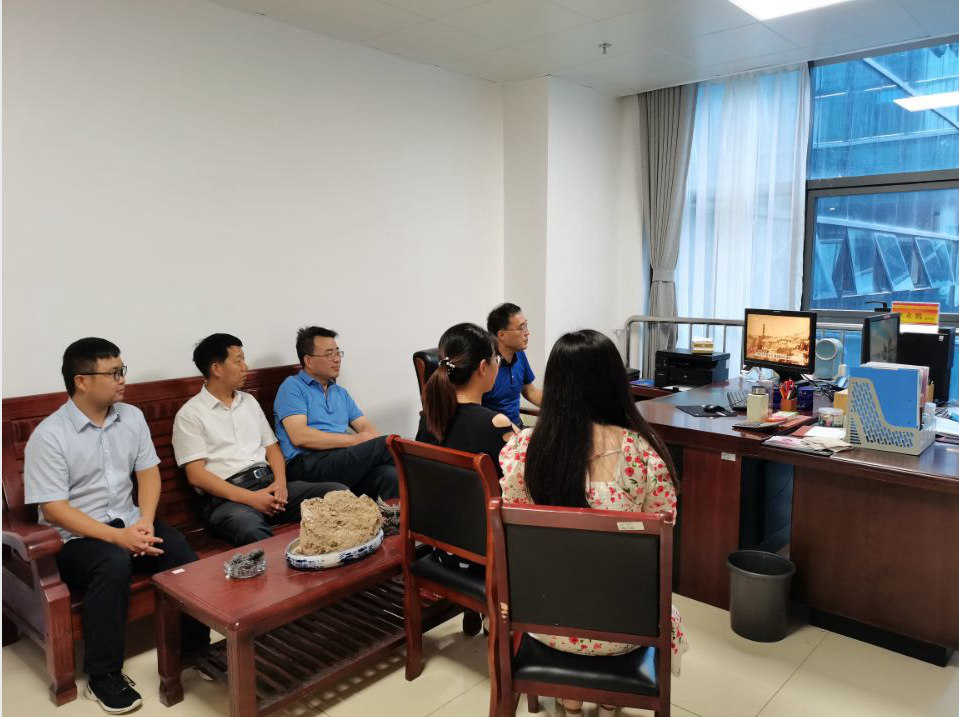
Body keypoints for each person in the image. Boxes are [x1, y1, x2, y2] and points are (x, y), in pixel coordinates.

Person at [499, 329, 688, 716]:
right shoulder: (642, 454)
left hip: (544, 622)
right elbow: (662, 537)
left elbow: (516, 532)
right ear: (614, 383)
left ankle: (569, 696)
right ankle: (609, 694)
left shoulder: (524, 450)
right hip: (624, 631)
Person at [23, 338, 210, 714]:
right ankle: (102, 675)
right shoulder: (50, 435)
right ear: (81, 381)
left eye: (122, 370)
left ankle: (194, 648)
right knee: (112, 562)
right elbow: (55, 509)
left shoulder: (132, 417)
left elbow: (148, 473)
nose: (123, 379)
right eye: (113, 373)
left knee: (177, 549)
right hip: (75, 539)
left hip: (130, 522)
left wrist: (145, 521)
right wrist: (118, 537)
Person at [172, 334, 347, 547]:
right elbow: (196, 476)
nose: (245, 367)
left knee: (337, 494)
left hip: (269, 484)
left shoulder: (249, 402)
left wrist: (280, 484)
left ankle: (332, 560)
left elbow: (272, 449)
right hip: (228, 500)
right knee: (250, 528)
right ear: (216, 369)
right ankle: (285, 568)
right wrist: (251, 498)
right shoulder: (190, 414)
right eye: (238, 361)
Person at [274, 326, 398, 500]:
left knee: (389, 475)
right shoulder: (292, 386)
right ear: (308, 360)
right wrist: (357, 441)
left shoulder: (339, 392)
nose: (337, 359)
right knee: (387, 445)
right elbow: (300, 436)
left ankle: (394, 518)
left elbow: (363, 424)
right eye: (329, 354)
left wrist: (372, 441)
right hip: (306, 464)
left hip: (339, 460)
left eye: (338, 353)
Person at [416, 322, 515, 475]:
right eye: (496, 359)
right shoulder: (494, 423)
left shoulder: (429, 417)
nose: (498, 365)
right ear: (483, 367)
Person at [482, 302, 542, 426]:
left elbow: (530, 391)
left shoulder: (519, 354)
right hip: (493, 431)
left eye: (526, 326)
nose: (527, 333)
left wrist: (561, 406)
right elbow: (474, 409)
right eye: (521, 328)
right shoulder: (486, 364)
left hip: (517, 427)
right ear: (501, 335)